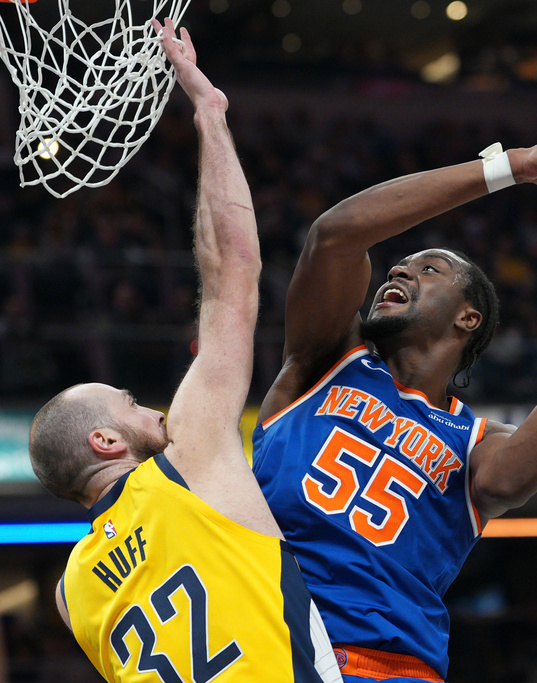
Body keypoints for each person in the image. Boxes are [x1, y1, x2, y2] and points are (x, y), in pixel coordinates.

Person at [253, 112, 537, 682]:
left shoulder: (474, 445)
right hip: (260, 643)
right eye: (403, 263)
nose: (401, 268)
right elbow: (337, 234)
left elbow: (513, 479)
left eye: (431, 268)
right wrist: (512, 167)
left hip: (385, 666)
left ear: (469, 317)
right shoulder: (324, 363)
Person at [27, 19, 342, 683]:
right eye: (132, 404)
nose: (153, 410)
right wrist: (209, 111)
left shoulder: (69, 594)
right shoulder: (186, 457)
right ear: (107, 442)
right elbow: (234, 272)